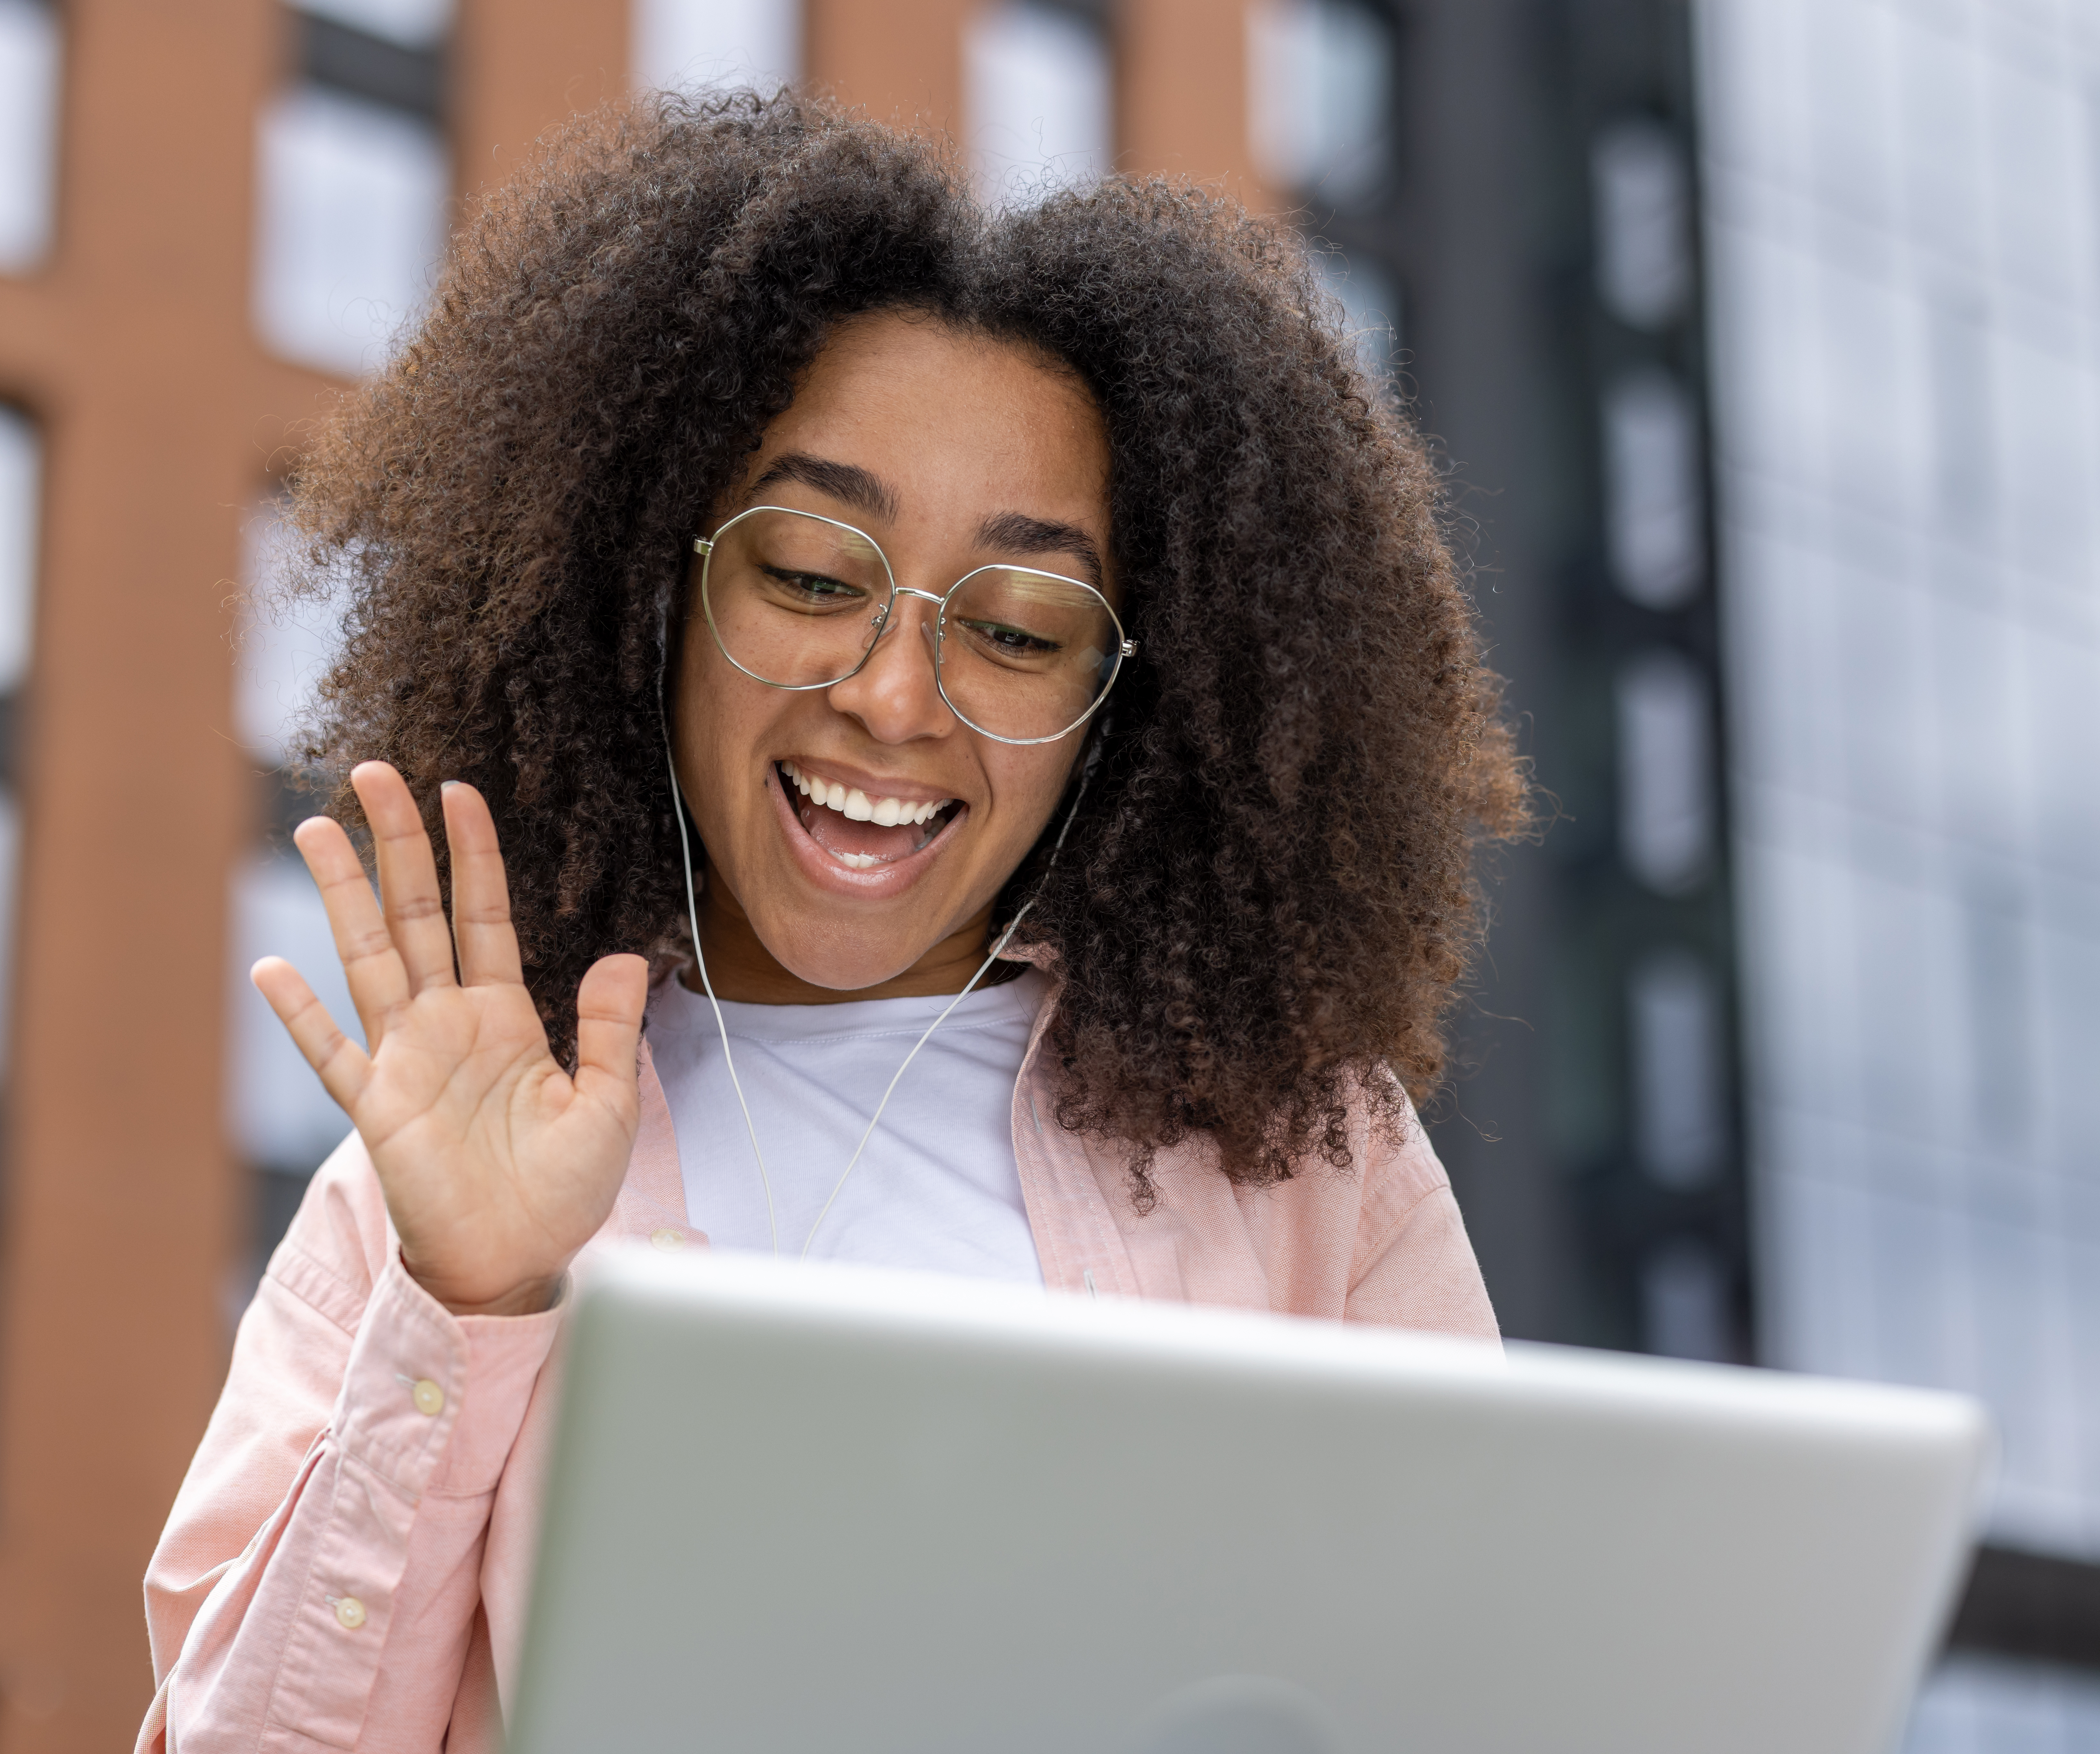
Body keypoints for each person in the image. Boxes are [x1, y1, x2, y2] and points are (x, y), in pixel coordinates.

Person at [140, 91, 1526, 1752]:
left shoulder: (1310, 1158)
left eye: (1017, 629)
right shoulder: (428, 1193)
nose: (889, 694)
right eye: (809, 572)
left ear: (1123, 706)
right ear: (664, 593)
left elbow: (1485, 1696)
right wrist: (467, 1300)